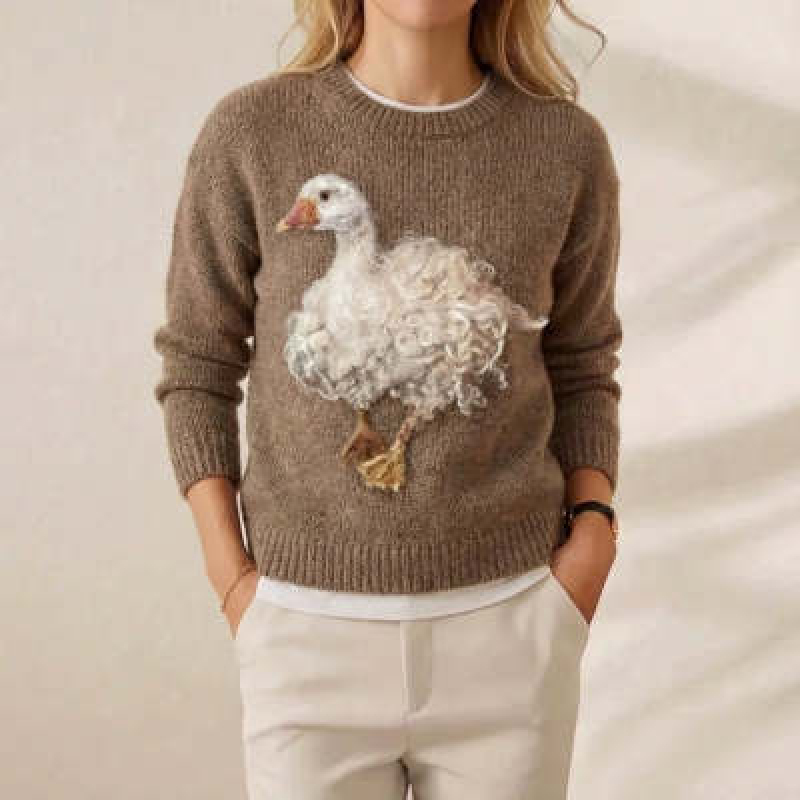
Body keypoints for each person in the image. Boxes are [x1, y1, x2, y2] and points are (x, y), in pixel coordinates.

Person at [152, 1, 622, 797]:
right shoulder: (251, 133)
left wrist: (592, 540)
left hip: (510, 633)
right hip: (305, 639)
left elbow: (582, 364)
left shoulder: (564, 147)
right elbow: (197, 364)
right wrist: (234, 582)